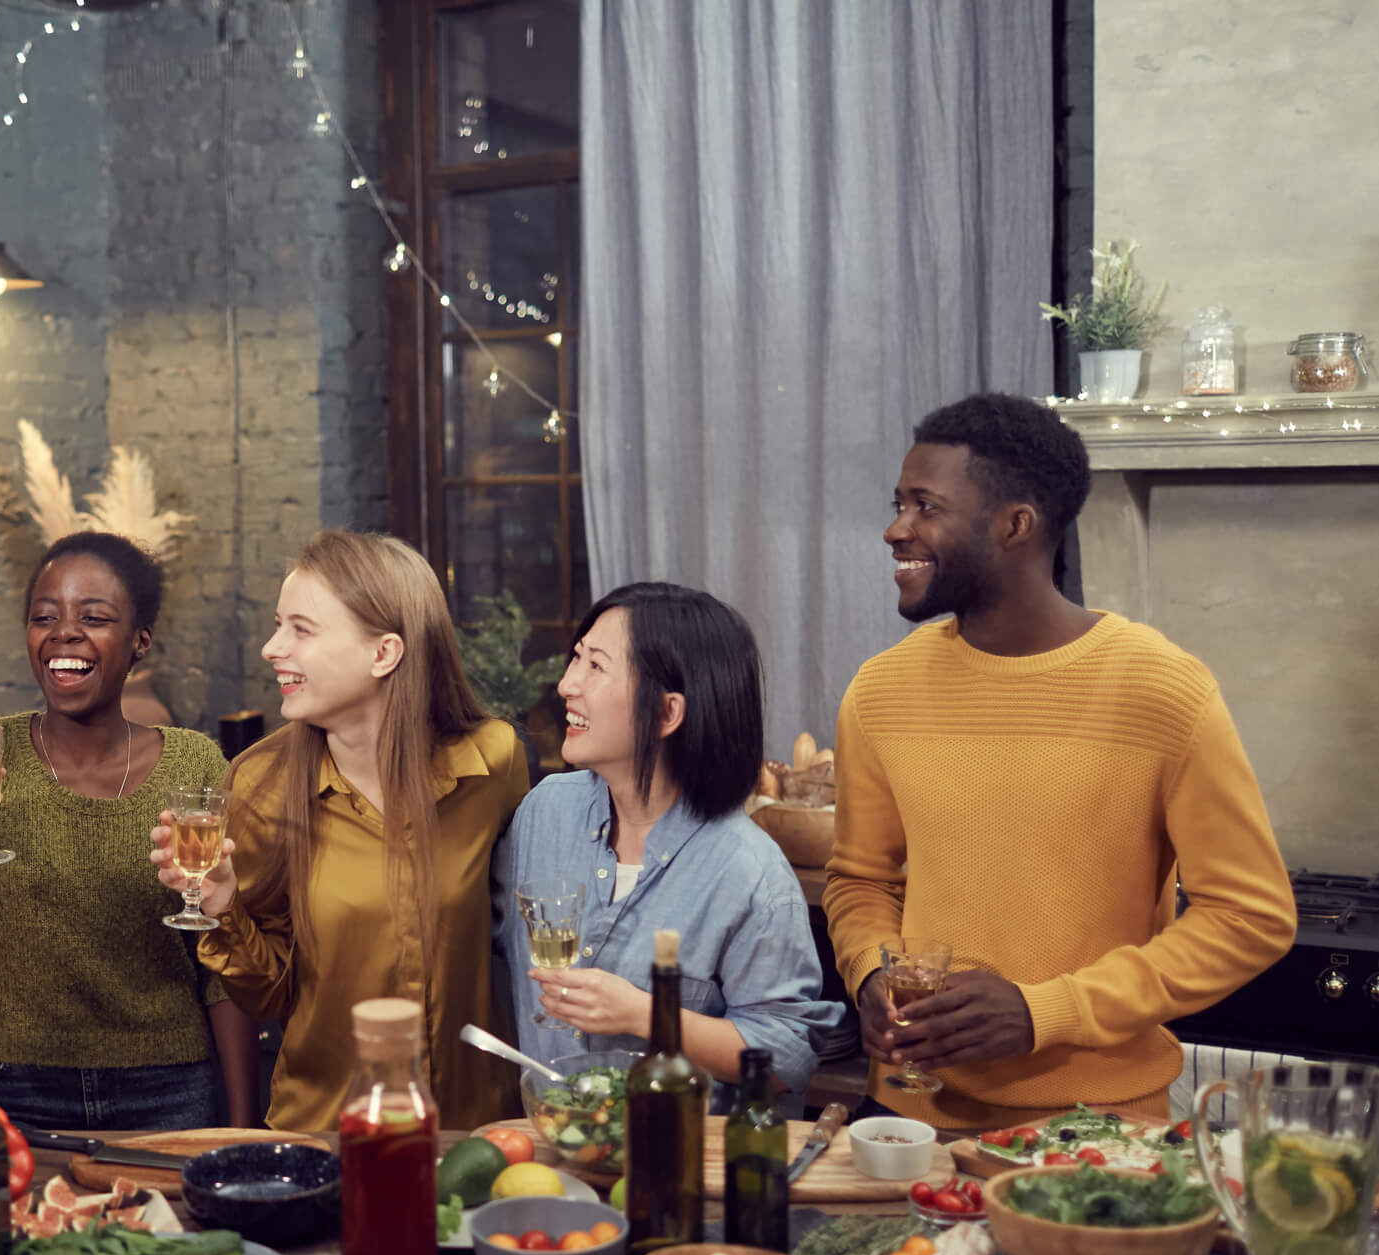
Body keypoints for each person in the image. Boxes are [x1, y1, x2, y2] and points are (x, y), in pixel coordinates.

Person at [825, 391, 1297, 1126]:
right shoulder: (880, 690)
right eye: (898, 504)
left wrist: (1046, 1011)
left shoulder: (1162, 688)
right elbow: (858, 881)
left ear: (1014, 524)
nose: (895, 530)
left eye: (925, 507)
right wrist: (868, 976)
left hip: (1095, 1125)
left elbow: (1249, 917)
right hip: (908, 1119)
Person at [150, 529, 529, 1132]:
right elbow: (267, 996)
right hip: (327, 1136)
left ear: (384, 654)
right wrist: (224, 906)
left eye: (302, 629)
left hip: (474, 1132)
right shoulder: (259, 786)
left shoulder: (492, 763)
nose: (273, 648)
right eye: (279, 625)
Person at [0, 532, 259, 1129]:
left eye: (94, 616)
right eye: (44, 616)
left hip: (169, 1091)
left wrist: (240, 1122)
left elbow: (222, 963)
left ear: (140, 641)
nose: (64, 631)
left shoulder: (194, 767)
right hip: (9, 1090)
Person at [494, 583, 841, 1114]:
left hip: (681, 1167)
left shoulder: (748, 871)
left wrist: (644, 1015)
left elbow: (787, 1058)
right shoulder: (545, 814)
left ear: (666, 714)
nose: (566, 684)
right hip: (553, 1155)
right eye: (576, 659)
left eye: (596, 667)